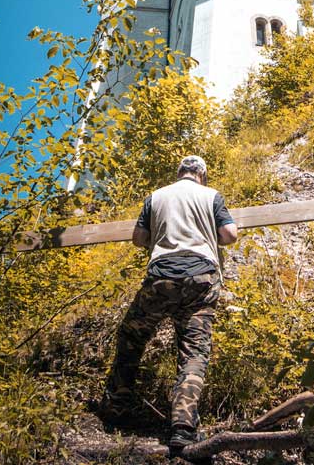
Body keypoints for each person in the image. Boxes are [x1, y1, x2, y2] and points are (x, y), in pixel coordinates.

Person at [99, 155, 238, 458]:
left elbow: (139, 238)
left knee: (131, 337)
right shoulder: (211, 195)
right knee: (193, 353)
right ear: (202, 173)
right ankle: (183, 427)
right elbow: (230, 235)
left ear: (179, 174)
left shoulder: (156, 196)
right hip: (201, 279)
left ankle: (116, 407)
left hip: (161, 277)